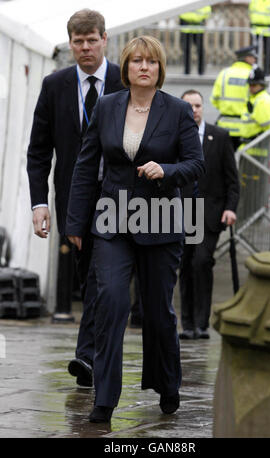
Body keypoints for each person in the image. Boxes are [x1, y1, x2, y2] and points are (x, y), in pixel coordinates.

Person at [66, 36, 205, 423]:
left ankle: (167, 385)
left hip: (160, 220)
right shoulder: (108, 105)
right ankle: (105, 398)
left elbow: (196, 165)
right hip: (111, 220)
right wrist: (76, 222)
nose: (144, 67)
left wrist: (168, 170)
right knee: (110, 302)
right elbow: (85, 164)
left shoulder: (177, 111)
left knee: (159, 311)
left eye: (151, 62)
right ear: (126, 67)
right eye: (137, 61)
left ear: (160, 70)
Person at [27, 9, 124, 387]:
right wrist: (39, 204)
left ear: (104, 39)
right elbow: (39, 152)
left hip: (119, 201)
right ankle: (94, 357)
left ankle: (88, 357)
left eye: (91, 40)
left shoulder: (125, 79)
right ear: (69, 44)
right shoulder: (55, 85)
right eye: (78, 42)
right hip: (74, 202)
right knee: (90, 279)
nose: (85, 48)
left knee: (104, 278)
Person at [179, 90, 239, 339]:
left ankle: (202, 324)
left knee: (202, 262)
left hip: (210, 213)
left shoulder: (220, 137)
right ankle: (188, 324)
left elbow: (232, 180)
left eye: (197, 105)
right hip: (182, 212)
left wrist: (230, 208)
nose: (194, 110)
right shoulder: (174, 137)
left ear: (203, 107)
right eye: (189, 106)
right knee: (185, 265)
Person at [210, 46, 257, 151]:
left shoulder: (224, 73)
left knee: (225, 163)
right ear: (246, 58)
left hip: (224, 125)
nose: (255, 60)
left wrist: (227, 107)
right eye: (253, 57)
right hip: (245, 128)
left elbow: (214, 99)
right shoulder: (253, 75)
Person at [239, 67, 270, 156]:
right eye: (250, 85)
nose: (251, 88)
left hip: (257, 151)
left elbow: (268, 127)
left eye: (254, 85)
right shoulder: (253, 98)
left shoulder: (263, 100)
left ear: (261, 85)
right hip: (249, 148)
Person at [249, 0, 270, 76]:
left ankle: (267, 72)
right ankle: (255, 71)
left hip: (268, 30)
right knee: (253, 53)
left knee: (268, 52)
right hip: (255, 29)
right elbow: (250, 11)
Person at [179, 6, 212, 75]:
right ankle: (187, 71)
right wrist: (196, 18)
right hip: (187, 28)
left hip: (197, 28)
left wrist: (198, 17)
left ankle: (201, 71)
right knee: (186, 50)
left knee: (200, 50)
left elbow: (207, 9)